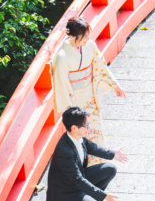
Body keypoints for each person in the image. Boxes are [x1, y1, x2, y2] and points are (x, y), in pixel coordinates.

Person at [51, 16, 126, 166]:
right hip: (75, 101)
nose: (87, 39)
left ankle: (99, 163)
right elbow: (61, 86)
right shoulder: (61, 58)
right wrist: (70, 112)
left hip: (90, 96)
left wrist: (114, 85)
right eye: (83, 36)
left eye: (87, 36)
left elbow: (100, 66)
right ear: (72, 35)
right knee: (81, 134)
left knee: (96, 130)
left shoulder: (90, 46)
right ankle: (84, 167)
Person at [47, 106, 129, 201]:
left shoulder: (77, 137)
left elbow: (93, 148)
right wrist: (104, 196)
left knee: (110, 168)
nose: (89, 128)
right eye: (87, 125)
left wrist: (113, 154)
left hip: (77, 182)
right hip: (67, 193)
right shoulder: (64, 151)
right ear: (74, 128)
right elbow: (78, 180)